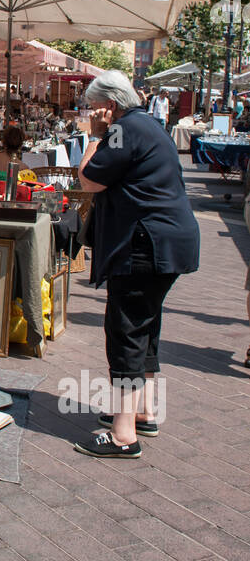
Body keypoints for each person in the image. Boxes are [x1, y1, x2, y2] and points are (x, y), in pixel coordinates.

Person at [73, 70, 200, 459]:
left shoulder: (124, 130)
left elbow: (88, 180)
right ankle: (142, 412)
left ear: (109, 106)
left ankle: (123, 434)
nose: (90, 114)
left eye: (94, 108)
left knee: (126, 328)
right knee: (144, 326)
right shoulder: (146, 125)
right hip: (165, 242)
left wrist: (94, 137)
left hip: (144, 243)